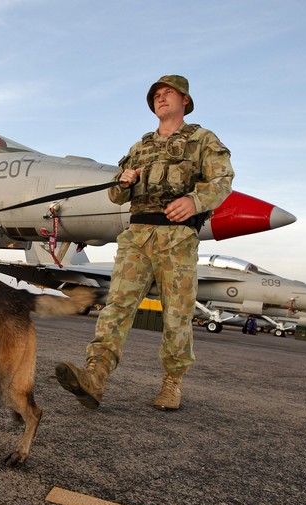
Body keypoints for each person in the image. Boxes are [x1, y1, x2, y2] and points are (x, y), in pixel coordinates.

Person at [55, 75, 233, 411]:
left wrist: (195, 202)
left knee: (177, 316)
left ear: (185, 102)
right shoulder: (139, 148)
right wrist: (123, 182)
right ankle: (95, 377)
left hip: (178, 239)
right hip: (137, 236)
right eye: (156, 95)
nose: (161, 99)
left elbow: (223, 181)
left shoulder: (202, 140)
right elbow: (114, 194)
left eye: (168, 94)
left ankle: (172, 383)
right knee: (116, 307)